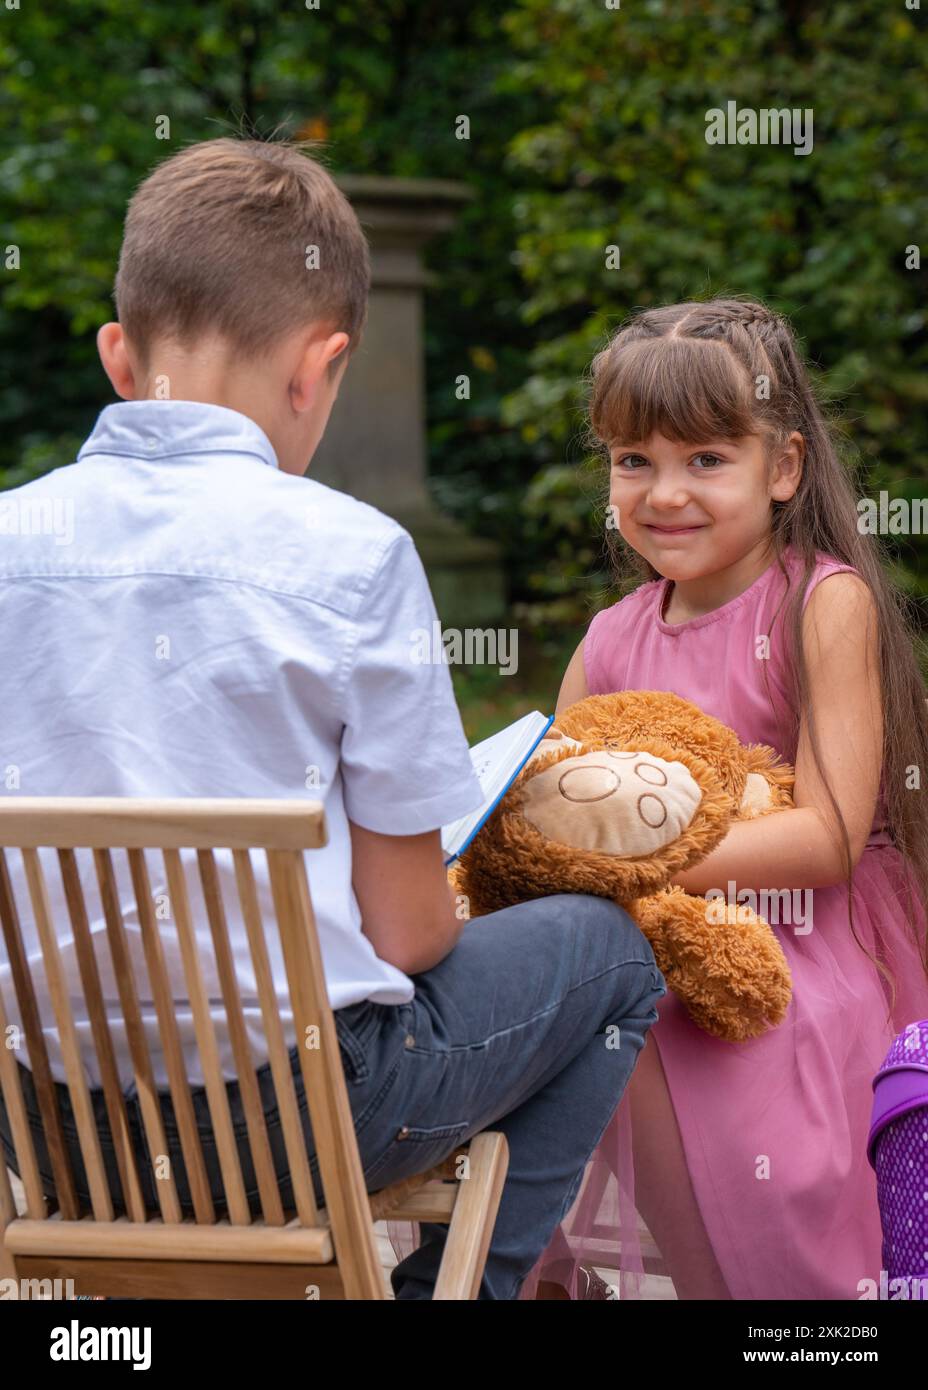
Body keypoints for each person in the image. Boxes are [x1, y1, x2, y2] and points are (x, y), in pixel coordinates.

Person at [0, 136, 667, 1300]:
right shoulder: (352, 557)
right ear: (320, 368)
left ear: (119, 354)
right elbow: (408, 937)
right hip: (296, 1127)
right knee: (612, 951)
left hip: (53, 1134)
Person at [517, 296, 928, 1300]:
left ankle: (801, 1302)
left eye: (705, 460)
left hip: (810, 936)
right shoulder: (612, 636)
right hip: (657, 938)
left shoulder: (818, 602)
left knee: (746, 1119)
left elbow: (829, 835)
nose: (664, 493)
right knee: (578, 1012)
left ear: (781, 467)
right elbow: (548, 804)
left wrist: (634, 863)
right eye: (632, 460)